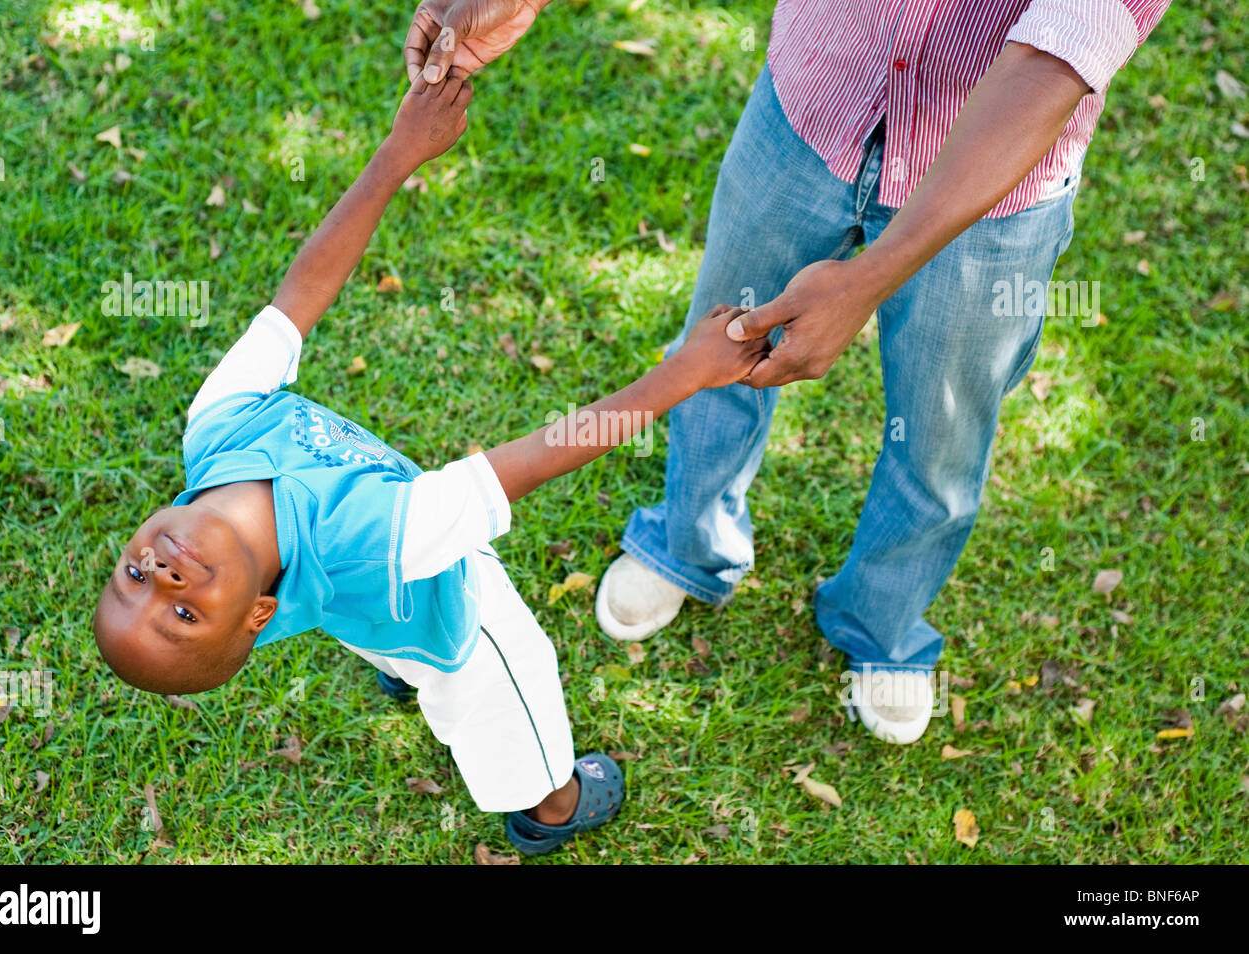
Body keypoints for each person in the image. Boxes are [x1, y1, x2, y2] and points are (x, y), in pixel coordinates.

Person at [403, 0, 1172, 744]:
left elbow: (1054, 55)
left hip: (994, 191)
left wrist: (868, 279)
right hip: (811, 105)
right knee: (718, 343)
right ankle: (687, 540)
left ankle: (884, 624)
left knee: (944, 429)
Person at [91, 72, 769, 854]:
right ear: (258, 616)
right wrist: (685, 373)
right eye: (182, 614)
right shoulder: (379, 533)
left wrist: (396, 156)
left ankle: (392, 655)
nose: (162, 577)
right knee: (515, 690)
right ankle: (552, 803)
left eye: (133, 579)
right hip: (457, 615)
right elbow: (536, 457)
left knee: (366, 617)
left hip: (367, 595)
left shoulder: (216, 429)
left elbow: (298, 295)